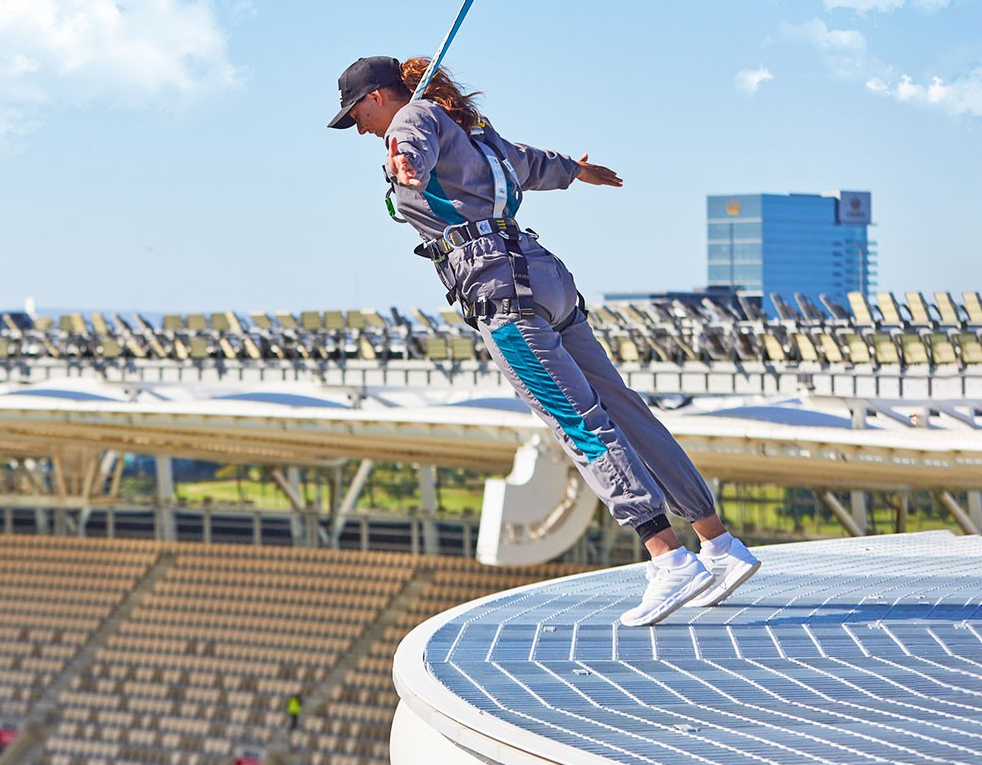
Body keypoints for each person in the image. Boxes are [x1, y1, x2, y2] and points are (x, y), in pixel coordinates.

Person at [326, 55, 760, 626]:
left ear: (378, 97)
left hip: (499, 290)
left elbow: (413, 149)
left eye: (356, 114)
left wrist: (405, 164)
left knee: (579, 421)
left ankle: (666, 555)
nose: (359, 128)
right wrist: (581, 173)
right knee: (626, 412)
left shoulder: (411, 122)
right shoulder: (474, 131)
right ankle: (719, 544)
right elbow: (537, 164)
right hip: (544, 277)